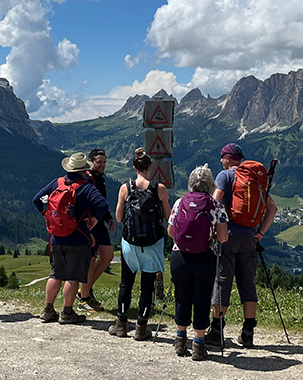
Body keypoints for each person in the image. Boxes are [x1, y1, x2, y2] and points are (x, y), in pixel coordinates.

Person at [206, 143, 277, 348]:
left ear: (228, 158)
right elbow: (272, 208)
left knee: (222, 281)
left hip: (227, 236)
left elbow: (216, 201)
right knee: (247, 283)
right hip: (248, 238)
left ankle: (217, 330)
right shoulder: (254, 179)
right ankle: (248, 333)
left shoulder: (225, 176)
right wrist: (260, 233)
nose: (221, 161)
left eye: (222, 157)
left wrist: (211, 228)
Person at [33, 152, 109, 325]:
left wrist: (46, 215)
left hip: (56, 238)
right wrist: (95, 220)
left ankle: (48, 310)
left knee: (55, 274)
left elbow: (36, 199)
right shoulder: (86, 186)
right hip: (77, 237)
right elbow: (102, 205)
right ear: (84, 170)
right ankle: (67, 312)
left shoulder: (57, 183)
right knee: (72, 276)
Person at [109, 148, 171, 340]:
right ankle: (141, 329)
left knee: (126, 284)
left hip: (130, 245)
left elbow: (118, 218)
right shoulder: (159, 188)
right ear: (150, 167)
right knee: (146, 286)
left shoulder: (125, 188)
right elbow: (169, 216)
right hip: (152, 244)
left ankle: (121, 324)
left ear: (134, 167)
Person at [168, 165, 229, 361]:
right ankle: (198, 345)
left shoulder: (180, 202)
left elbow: (170, 232)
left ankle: (180, 341)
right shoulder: (216, 206)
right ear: (210, 184)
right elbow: (223, 237)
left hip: (180, 257)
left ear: (191, 183)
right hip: (205, 257)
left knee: (181, 296)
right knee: (202, 299)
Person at [77, 148, 115, 313]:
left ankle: (85, 290)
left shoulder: (100, 179)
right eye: (99, 162)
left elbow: (102, 202)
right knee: (90, 260)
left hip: (99, 224)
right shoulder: (87, 178)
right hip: (90, 226)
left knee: (108, 256)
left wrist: (108, 219)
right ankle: (84, 299)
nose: (102, 165)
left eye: (104, 162)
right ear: (91, 161)